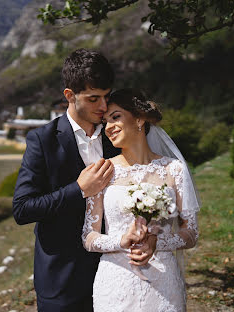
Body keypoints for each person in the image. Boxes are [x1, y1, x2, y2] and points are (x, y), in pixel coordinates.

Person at [13, 49, 155, 311]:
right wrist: (78, 190)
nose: (103, 107)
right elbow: (22, 209)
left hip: (119, 271)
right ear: (70, 95)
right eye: (93, 99)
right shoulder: (42, 141)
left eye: (106, 97)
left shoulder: (118, 136)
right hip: (62, 280)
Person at [82, 89, 201, 311]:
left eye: (115, 116)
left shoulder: (174, 169)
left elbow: (191, 233)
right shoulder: (102, 171)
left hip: (164, 282)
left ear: (139, 119)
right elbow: (88, 237)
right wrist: (120, 241)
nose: (108, 127)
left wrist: (158, 243)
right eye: (105, 121)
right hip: (116, 282)